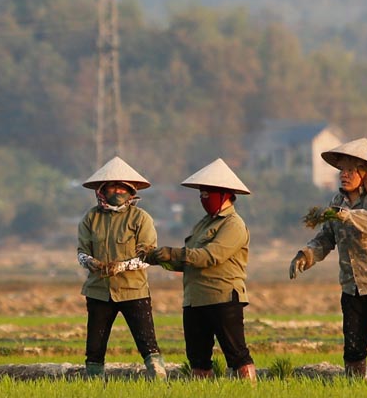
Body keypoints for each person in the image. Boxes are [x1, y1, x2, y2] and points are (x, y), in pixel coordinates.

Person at [289, 138, 367, 379]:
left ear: (365, 173)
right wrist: (307, 254)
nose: (344, 174)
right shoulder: (337, 202)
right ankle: (355, 390)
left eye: (351, 169)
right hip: (353, 285)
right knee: (353, 346)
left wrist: (346, 216)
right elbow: (327, 237)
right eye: (342, 169)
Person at [145, 159, 256, 382]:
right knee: (198, 358)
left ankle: (249, 394)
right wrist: (158, 257)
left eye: (208, 193)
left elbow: (209, 256)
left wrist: (172, 253)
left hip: (223, 297)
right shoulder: (204, 223)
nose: (204, 197)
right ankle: (202, 395)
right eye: (202, 193)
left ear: (225, 194)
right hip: (195, 300)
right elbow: (188, 260)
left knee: (237, 354)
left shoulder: (233, 224)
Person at [76, 156, 167, 379]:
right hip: (99, 290)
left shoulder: (140, 218)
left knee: (147, 342)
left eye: (121, 187)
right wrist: (91, 262)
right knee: (95, 347)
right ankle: (93, 384)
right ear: (102, 190)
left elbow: (148, 257)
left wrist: (122, 266)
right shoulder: (91, 218)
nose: (116, 191)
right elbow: (81, 253)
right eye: (111, 187)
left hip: (133, 290)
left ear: (130, 190)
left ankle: (159, 379)